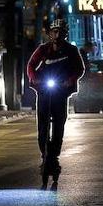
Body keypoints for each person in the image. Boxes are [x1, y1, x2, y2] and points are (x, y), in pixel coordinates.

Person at [25, 18, 86, 180]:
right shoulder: (43, 49)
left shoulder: (71, 50)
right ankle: (44, 155)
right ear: (50, 33)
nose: (56, 35)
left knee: (59, 124)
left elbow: (80, 69)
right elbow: (31, 65)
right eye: (54, 32)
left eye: (60, 32)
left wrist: (70, 80)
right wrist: (34, 78)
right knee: (42, 125)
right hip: (44, 91)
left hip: (61, 91)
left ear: (64, 34)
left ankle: (54, 156)